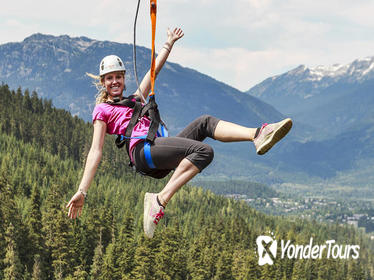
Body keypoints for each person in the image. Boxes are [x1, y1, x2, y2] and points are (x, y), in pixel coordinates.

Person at [66, 27, 293, 238]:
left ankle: (257, 134)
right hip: (142, 152)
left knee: (204, 122)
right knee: (204, 152)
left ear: (124, 79)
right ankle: (159, 199)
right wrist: (82, 191)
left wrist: (168, 44)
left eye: (118, 76)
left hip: (156, 147)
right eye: (109, 78)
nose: (114, 81)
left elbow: (153, 71)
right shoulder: (102, 110)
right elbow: (95, 152)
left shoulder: (135, 98)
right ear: (103, 83)